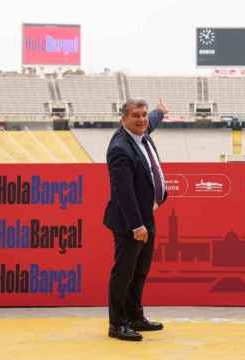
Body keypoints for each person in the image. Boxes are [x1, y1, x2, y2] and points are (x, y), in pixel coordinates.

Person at [103, 97, 169, 341]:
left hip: (146, 217)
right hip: (130, 223)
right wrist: (136, 225)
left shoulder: (141, 131)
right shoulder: (120, 149)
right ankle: (117, 324)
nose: (142, 119)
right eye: (136, 116)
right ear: (123, 120)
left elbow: (151, 121)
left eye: (143, 115)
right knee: (124, 273)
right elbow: (124, 193)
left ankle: (135, 317)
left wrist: (160, 112)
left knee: (140, 271)